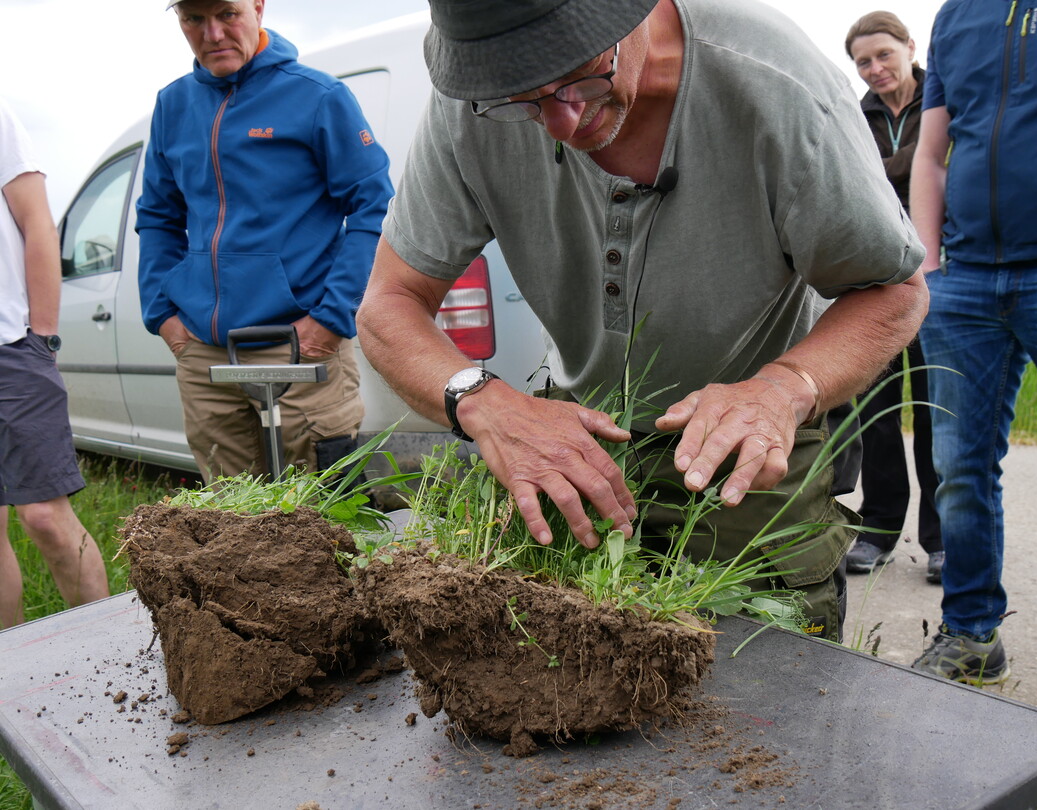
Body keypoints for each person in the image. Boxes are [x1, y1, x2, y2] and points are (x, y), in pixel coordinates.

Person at [356, 0, 928, 643]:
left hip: (748, 459)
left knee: (768, 691)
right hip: (574, 455)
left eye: (580, 77)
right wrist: (483, 402)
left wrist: (783, 388)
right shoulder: (475, 94)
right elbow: (389, 303)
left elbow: (894, 289)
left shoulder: (778, 86)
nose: (561, 123)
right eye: (523, 101)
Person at [136, 0, 393, 481]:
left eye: (227, 14)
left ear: (257, 6)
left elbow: (374, 207)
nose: (212, 33)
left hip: (299, 344)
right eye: (194, 19)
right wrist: (162, 315)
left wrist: (331, 318)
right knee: (228, 515)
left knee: (324, 508)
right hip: (205, 354)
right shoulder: (173, 105)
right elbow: (157, 216)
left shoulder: (319, 96)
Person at [909, 0, 1037, 683]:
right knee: (959, 469)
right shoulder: (954, 17)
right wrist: (927, 266)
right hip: (964, 282)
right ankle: (971, 634)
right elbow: (931, 151)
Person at [0, 98, 110, 629]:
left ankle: (106, 652)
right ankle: (13, 668)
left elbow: (38, 223)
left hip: (11, 347)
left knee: (44, 515)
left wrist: (42, 337)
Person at [843, 11, 943, 584]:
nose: (875, 68)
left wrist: (890, 172)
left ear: (910, 46)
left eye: (884, 54)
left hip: (940, 276)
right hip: (876, 280)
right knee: (876, 415)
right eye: (863, 62)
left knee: (933, 414)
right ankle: (878, 529)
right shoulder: (853, 116)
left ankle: (941, 539)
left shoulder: (945, 102)